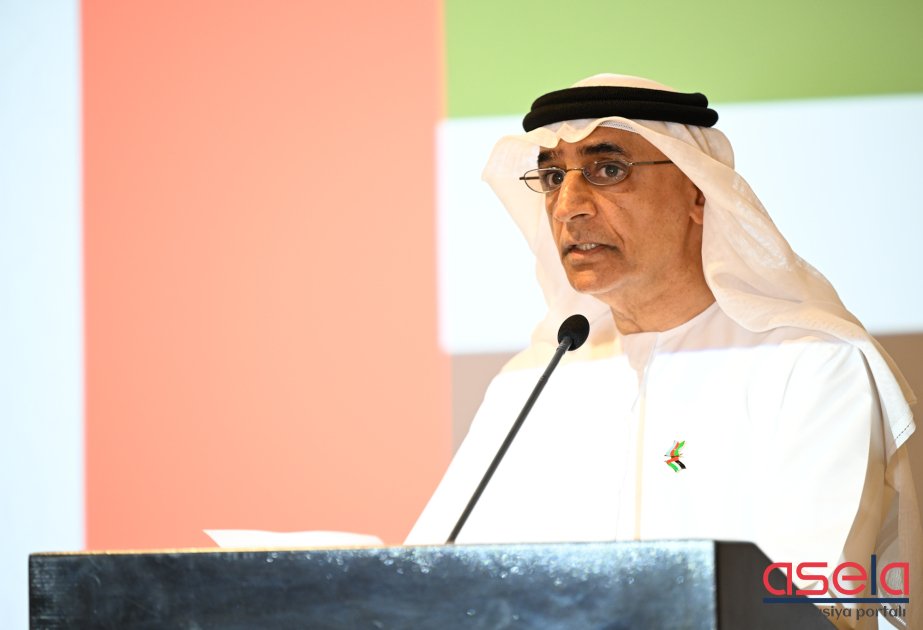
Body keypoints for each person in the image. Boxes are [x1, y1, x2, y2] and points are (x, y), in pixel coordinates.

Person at [405, 74, 921, 629]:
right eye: (553, 177)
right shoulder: (531, 381)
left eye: (608, 170)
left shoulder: (812, 365)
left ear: (697, 191)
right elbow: (419, 585)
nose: (567, 207)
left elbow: (809, 605)